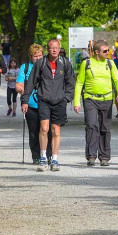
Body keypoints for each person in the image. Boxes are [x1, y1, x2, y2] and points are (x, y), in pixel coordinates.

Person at [22, 38, 75, 172]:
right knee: (44, 129)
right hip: (44, 100)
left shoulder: (65, 63)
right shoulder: (41, 63)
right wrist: (25, 100)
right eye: (52, 48)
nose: (54, 50)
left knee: (56, 130)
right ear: (48, 49)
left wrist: (67, 98)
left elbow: (70, 82)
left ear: (59, 48)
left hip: (59, 101)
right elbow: (31, 82)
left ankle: (55, 159)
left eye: (56, 47)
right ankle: (43, 157)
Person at [74, 40, 118, 166]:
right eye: (105, 51)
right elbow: (79, 83)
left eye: (109, 50)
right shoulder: (87, 63)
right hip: (90, 99)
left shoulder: (110, 63)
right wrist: (76, 102)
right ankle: (91, 156)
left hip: (106, 99)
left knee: (105, 128)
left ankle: (104, 157)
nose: (108, 53)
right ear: (96, 52)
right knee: (91, 125)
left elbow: (117, 80)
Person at [16, 44, 53, 164]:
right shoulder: (25, 67)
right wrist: (21, 90)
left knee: (48, 130)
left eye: (40, 56)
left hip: (47, 103)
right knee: (34, 131)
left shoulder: (47, 66)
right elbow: (19, 84)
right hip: (31, 104)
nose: (37, 58)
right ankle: (36, 155)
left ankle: (49, 154)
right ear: (30, 56)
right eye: (35, 56)